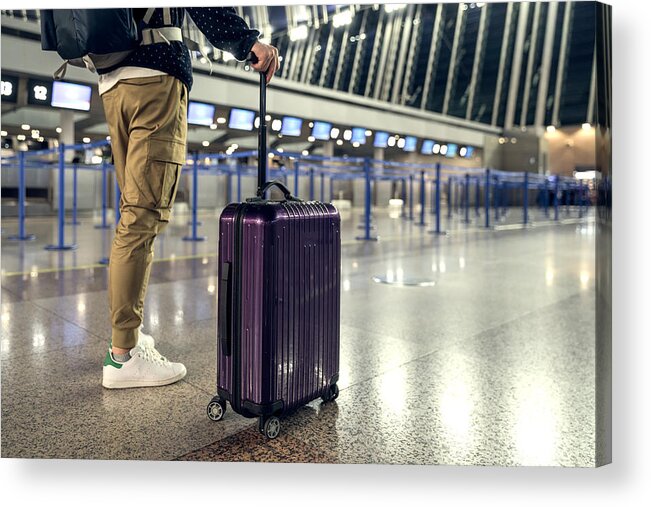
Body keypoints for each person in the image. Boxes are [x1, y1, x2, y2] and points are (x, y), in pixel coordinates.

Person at [101, 7, 279, 389]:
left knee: (132, 214)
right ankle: (123, 355)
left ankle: (127, 339)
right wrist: (247, 42)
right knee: (141, 217)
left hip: (111, 82)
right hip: (154, 76)